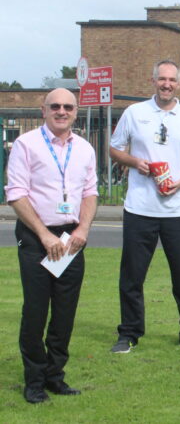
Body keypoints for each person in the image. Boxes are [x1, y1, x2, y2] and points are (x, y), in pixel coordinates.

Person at [109, 60, 180, 353]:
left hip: (178, 210)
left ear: (179, 84)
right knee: (131, 276)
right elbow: (114, 148)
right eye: (161, 79)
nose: (166, 84)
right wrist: (135, 162)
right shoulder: (134, 113)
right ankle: (128, 333)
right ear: (152, 81)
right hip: (140, 208)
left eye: (172, 80)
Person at [5, 88, 98, 403]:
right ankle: (34, 381)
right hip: (36, 236)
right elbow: (16, 193)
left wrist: (83, 228)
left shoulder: (84, 148)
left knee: (64, 311)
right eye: (55, 106)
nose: (62, 111)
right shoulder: (26, 144)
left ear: (75, 111)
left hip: (71, 238)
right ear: (43, 110)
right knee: (35, 310)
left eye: (68, 107)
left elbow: (90, 192)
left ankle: (55, 376)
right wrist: (44, 235)